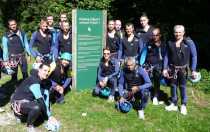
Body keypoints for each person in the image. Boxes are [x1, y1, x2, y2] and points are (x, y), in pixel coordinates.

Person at [10, 63, 58, 131]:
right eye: (45, 70)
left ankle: (28, 115)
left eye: (48, 71)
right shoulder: (34, 80)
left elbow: (45, 98)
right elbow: (40, 100)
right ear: (39, 70)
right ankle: (28, 125)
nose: (46, 73)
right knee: (37, 107)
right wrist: (48, 117)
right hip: (19, 102)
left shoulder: (42, 81)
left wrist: (48, 115)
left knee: (40, 107)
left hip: (28, 101)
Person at [163, 25, 197, 115]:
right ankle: (174, 103)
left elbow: (194, 56)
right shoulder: (170, 42)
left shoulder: (189, 42)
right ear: (174, 33)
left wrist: (193, 69)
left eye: (180, 32)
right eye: (176, 32)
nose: (178, 34)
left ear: (183, 32)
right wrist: (165, 68)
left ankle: (183, 105)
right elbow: (166, 56)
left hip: (183, 69)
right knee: (173, 86)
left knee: (182, 87)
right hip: (172, 68)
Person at [143, 27, 166, 105]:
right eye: (153, 35)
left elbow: (165, 57)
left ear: (160, 35)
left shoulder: (164, 44)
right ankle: (147, 94)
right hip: (149, 65)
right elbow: (144, 54)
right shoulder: (149, 43)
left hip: (159, 66)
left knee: (157, 82)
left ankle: (156, 96)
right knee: (147, 81)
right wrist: (143, 65)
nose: (155, 37)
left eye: (156, 35)